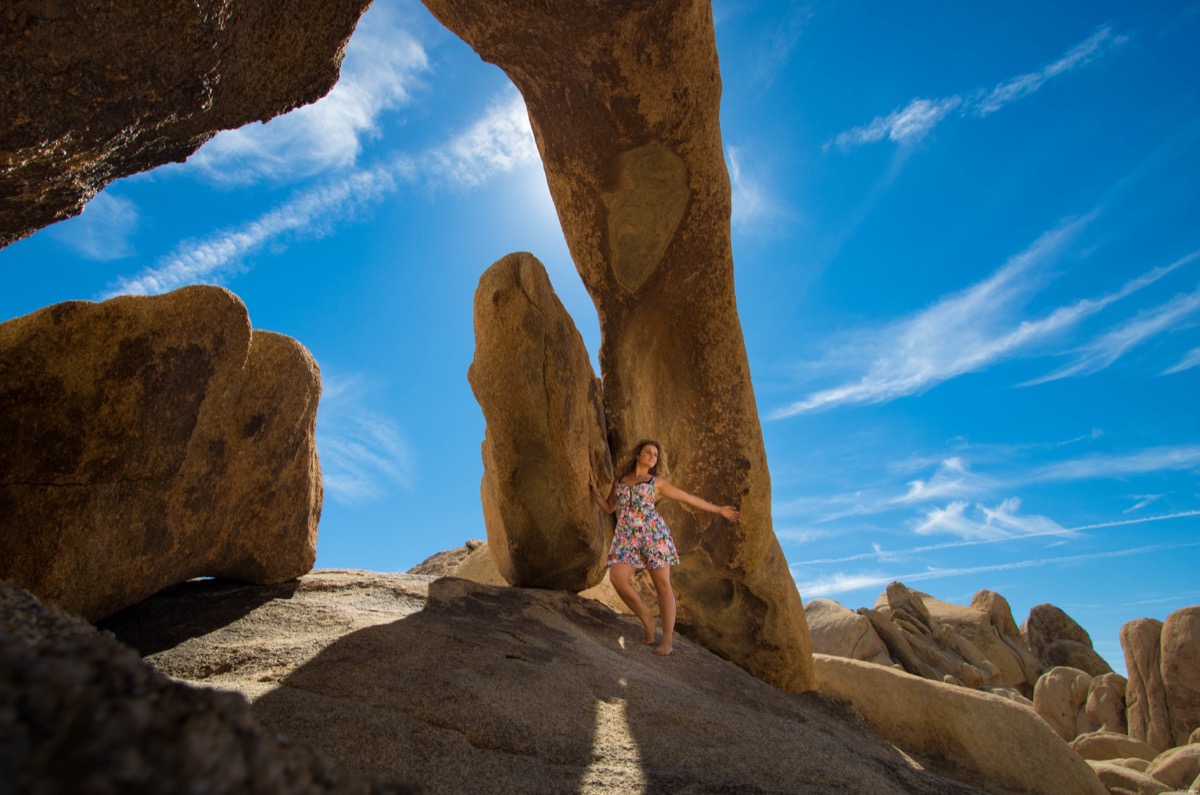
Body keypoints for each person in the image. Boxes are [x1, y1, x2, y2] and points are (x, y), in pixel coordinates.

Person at [588, 439, 741, 656]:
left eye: (655, 455)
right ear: (638, 455)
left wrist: (719, 510)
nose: (652, 456)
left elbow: (687, 497)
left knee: (662, 586)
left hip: (653, 534)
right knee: (617, 577)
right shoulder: (620, 481)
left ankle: (667, 641)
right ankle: (648, 620)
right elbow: (609, 507)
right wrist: (594, 491)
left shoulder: (656, 483)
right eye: (648, 452)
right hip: (627, 536)